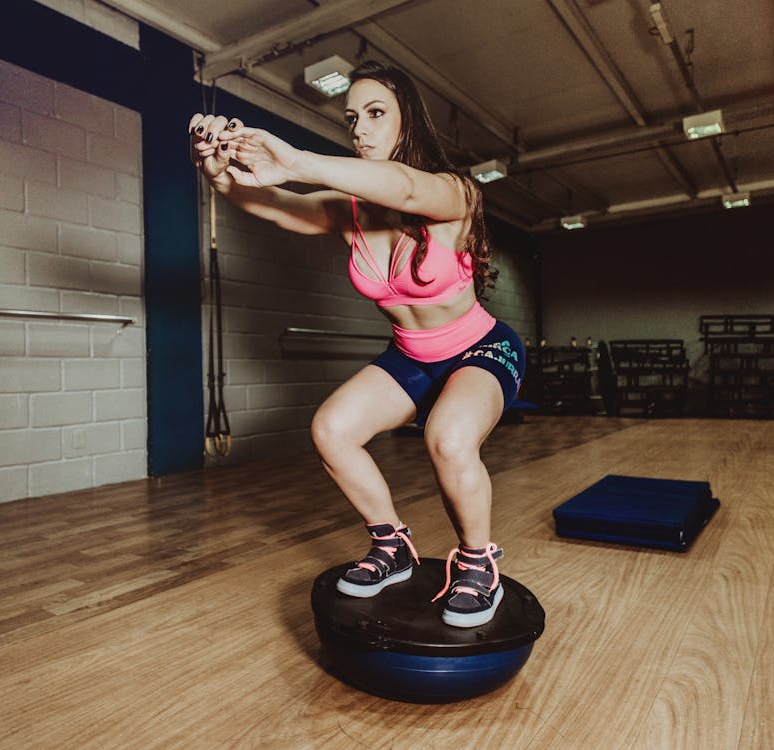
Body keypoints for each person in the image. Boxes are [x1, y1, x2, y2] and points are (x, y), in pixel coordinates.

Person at [189, 61, 524, 628]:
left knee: (448, 436)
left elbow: (405, 186)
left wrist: (294, 161)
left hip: (481, 351)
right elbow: (274, 205)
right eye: (352, 119)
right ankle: (392, 546)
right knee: (332, 429)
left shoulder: (453, 192)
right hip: (411, 355)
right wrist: (219, 175)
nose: (361, 129)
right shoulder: (349, 210)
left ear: (407, 121)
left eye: (376, 114)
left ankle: (476, 562)